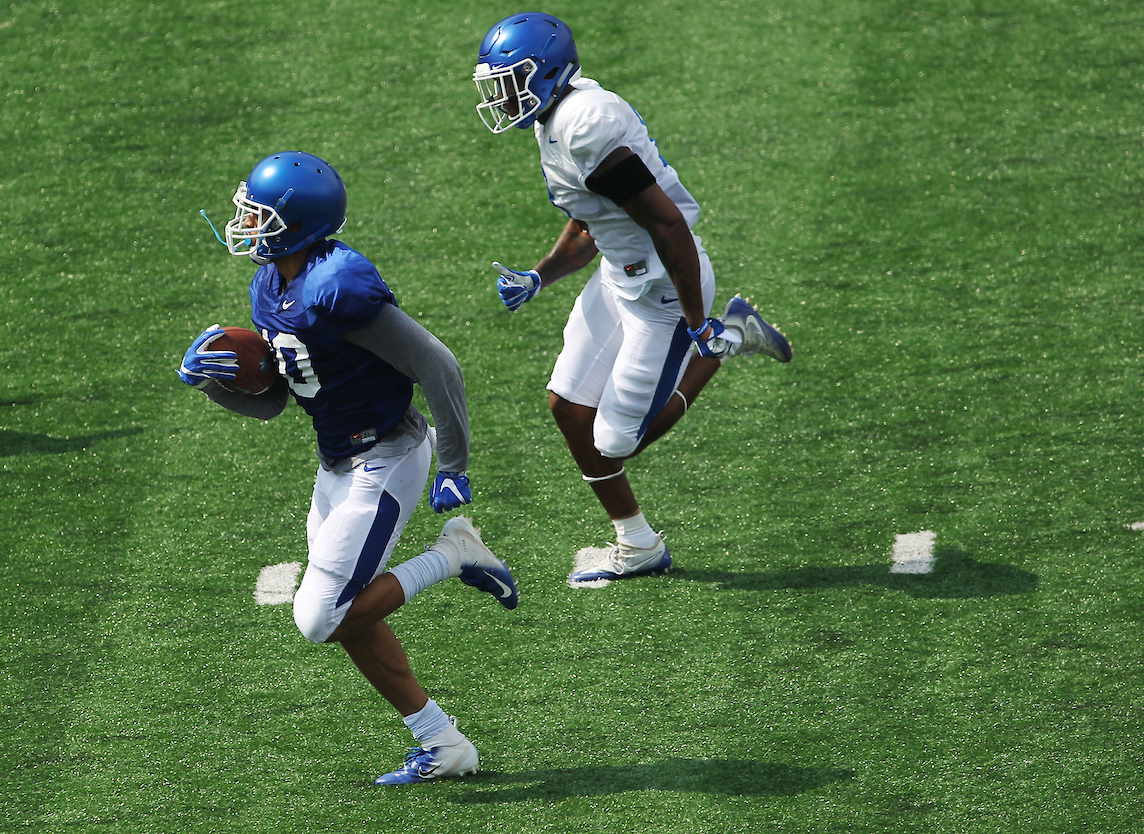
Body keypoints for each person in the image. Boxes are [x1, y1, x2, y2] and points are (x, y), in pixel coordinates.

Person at [177, 151, 517, 786]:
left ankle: (456, 553)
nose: (242, 223)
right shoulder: (270, 284)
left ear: (295, 223)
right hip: (336, 463)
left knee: (319, 616)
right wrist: (213, 385)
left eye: (256, 213)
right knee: (348, 610)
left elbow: (438, 365)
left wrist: (455, 463)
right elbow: (278, 400)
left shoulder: (337, 287)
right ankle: (444, 744)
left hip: (386, 456)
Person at [472, 13, 793, 583]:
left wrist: (698, 323)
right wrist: (539, 276)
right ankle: (637, 544)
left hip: (664, 290)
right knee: (568, 408)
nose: (504, 96)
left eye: (513, 80)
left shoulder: (584, 124)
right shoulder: (557, 119)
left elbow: (669, 227)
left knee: (616, 440)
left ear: (547, 73)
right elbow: (589, 223)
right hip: (621, 276)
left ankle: (730, 337)